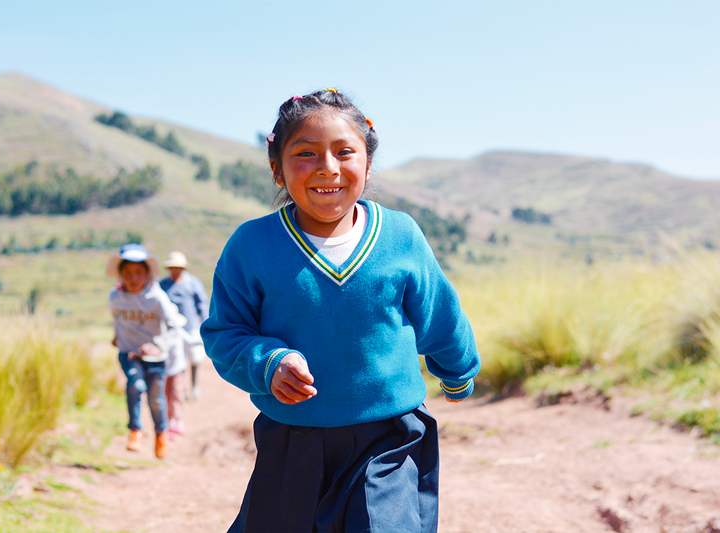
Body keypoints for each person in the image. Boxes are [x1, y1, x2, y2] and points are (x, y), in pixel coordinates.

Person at [200, 89, 481, 532]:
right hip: (294, 439)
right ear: (277, 169)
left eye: (344, 152)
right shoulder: (252, 246)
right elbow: (225, 333)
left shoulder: (400, 237)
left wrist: (458, 367)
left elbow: (439, 311)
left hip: (387, 436)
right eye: (306, 154)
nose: (327, 167)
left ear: (367, 166)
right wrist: (269, 364)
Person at [107, 243, 186, 459]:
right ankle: (135, 430)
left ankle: (161, 433)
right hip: (129, 353)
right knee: (135, 384)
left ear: (147, 274)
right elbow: (118, 320)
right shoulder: (115, 297)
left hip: (156, 357)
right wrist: (117, 336)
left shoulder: (157, 298)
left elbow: (174, 327)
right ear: (120, 274)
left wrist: (158, 345)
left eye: (139, 273)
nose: (133, 278)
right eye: (128, 273)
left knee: (156, 399)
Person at [159, 251, 210, 405]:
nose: (176, 270)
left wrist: (205, 324)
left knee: (194, 357)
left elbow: (202, 304)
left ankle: (194, 385)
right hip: (172, 330)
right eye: (173, 267)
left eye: (178, 267)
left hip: (191, 327)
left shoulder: (193, 283)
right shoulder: (162, 286)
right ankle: (183, 388)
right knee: (177, 359)